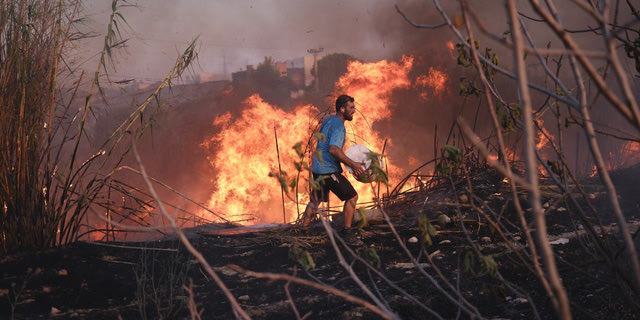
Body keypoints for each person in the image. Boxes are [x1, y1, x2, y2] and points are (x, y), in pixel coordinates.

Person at [303, 94, 365, 242]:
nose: (354, 111)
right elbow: (334, 150)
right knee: (352, 196)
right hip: (328, 170)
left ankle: (303, 230)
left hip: (318, 167)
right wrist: (353, 164)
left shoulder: (329, 120)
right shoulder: (338, 126)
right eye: (351, 108)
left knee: (315, 200)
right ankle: (347, 231)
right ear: (342, 109)